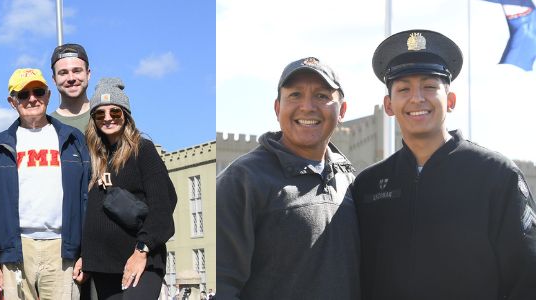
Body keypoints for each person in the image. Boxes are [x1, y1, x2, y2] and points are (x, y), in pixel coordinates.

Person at [350, 29, 536, 299]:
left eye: (429, 86)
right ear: (389, 105)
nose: (417, 98)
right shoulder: (367, 187)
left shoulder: (496, 176)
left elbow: (528, 278)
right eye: (403, 89)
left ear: (450, 100)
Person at [215, 57, 358, 299]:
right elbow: (222, 283)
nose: (307, 106)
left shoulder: (349, 180)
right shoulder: (243, 180)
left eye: (322, 96)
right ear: (277, 108)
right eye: (295, 95)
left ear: (342, 110)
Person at [0, 68, 90, 299]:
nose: (32, 99)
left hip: (62, 246)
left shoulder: (73, 139)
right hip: (17, 246)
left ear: (48, 95)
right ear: (12, 101)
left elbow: (86, 198)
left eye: (38, 91)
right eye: (23, 94)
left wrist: (85, 252)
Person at [78, 78, 177, 299]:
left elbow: (163, 206)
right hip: (104, 266)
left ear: (126, 114)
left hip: (141, 259)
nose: (107, 118)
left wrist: (141, 251)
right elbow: (92, 213)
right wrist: (86, 256)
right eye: (99, 114)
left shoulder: (143, 150)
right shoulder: (94, 157)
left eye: (115, 112)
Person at [49, 44, 94, 129]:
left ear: (88, 74)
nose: (71, 78)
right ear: (54, 79)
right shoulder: (48, 126)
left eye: (77, 71)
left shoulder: (109, 117)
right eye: (63, 73)